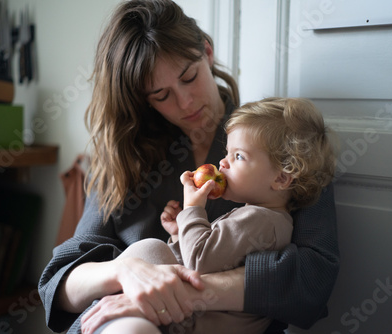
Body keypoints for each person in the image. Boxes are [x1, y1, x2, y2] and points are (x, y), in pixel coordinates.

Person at [38, 1, 340, 334]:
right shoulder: (124, 157)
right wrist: (126, 272)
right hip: (122, 318)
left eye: (189, 77)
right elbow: (59, 282)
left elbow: (314, 277)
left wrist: (182, 292)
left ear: (207, 53)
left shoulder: (279, 141)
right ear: (144, 99)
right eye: (161, 94)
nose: (185, 102)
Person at [115, 97, 337, 334]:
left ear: (281, 178)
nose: (222, 163)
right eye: (227, 152)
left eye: (239, 156)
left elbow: (199, 263)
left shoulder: (260, 221)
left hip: (194, 326)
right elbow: (215, 260)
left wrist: (192, 210)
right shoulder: (260, 217)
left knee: (149, 250)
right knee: (153, 252)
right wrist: (180, 233)